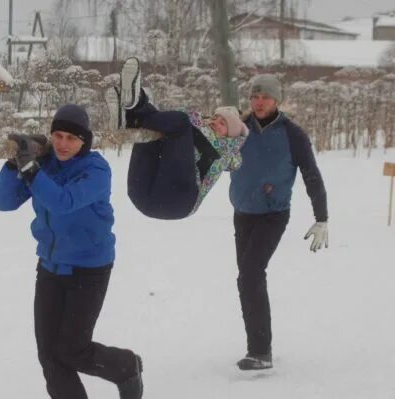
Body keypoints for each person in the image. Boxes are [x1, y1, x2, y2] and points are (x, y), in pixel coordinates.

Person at [0, 104, 143, 399]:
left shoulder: (96, 170)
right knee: (49, 355)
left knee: (73, 349)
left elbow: (63, 201)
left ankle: (125, 366)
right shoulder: (45, 164)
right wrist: (14, 163)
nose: (62, 144)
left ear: (84, 141)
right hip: (50, 266)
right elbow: (4, 202)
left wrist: (32, 169)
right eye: (58, 135)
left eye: (71, 138)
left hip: (89, 268)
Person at [230, 74, 329, 370]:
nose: (259, 102)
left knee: (250, 273)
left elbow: (311, 173)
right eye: (255, 97)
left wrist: (321, 216)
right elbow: (214, 159)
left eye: (266, 97)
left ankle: (260, 351)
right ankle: (258, 348)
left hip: (273, 215)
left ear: (277, 100)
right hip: (243, 213)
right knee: (248, 279)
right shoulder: (239, 129)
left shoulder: (292, 134)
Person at [106, 57, 249, 220]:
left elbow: (183, 122)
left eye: (223, 123)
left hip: (179, 201)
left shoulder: (224, 149)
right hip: (142, 196)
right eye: (215, 117)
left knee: (179, 122)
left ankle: (133, 110)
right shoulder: (194, 133)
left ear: (230, 136)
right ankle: (132, 103)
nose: (215, 122)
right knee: (156, 131)